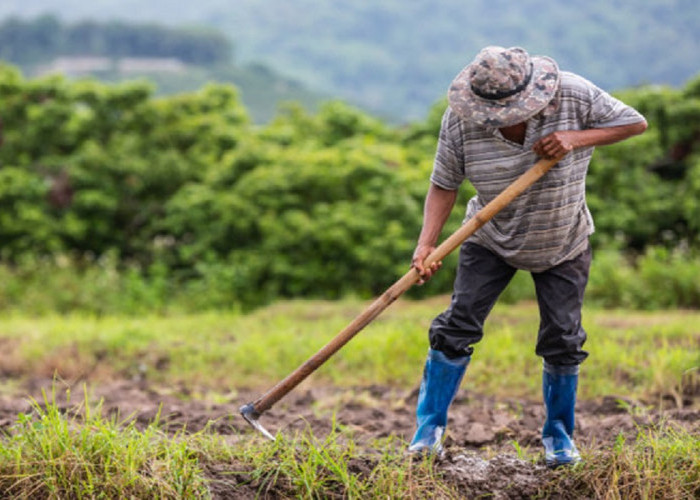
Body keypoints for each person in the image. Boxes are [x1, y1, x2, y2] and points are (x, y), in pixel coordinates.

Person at [408, 46, 647, 467]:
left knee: (563, 339)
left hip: (563, 239)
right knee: (456, 327)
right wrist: (426, 244)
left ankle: (559, 437)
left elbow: (634, 123)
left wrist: (576, 138)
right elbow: (444, 183)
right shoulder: (462, 121)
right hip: (490, 236)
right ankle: (428, 433)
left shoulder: (573, 94)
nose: (500, 119)